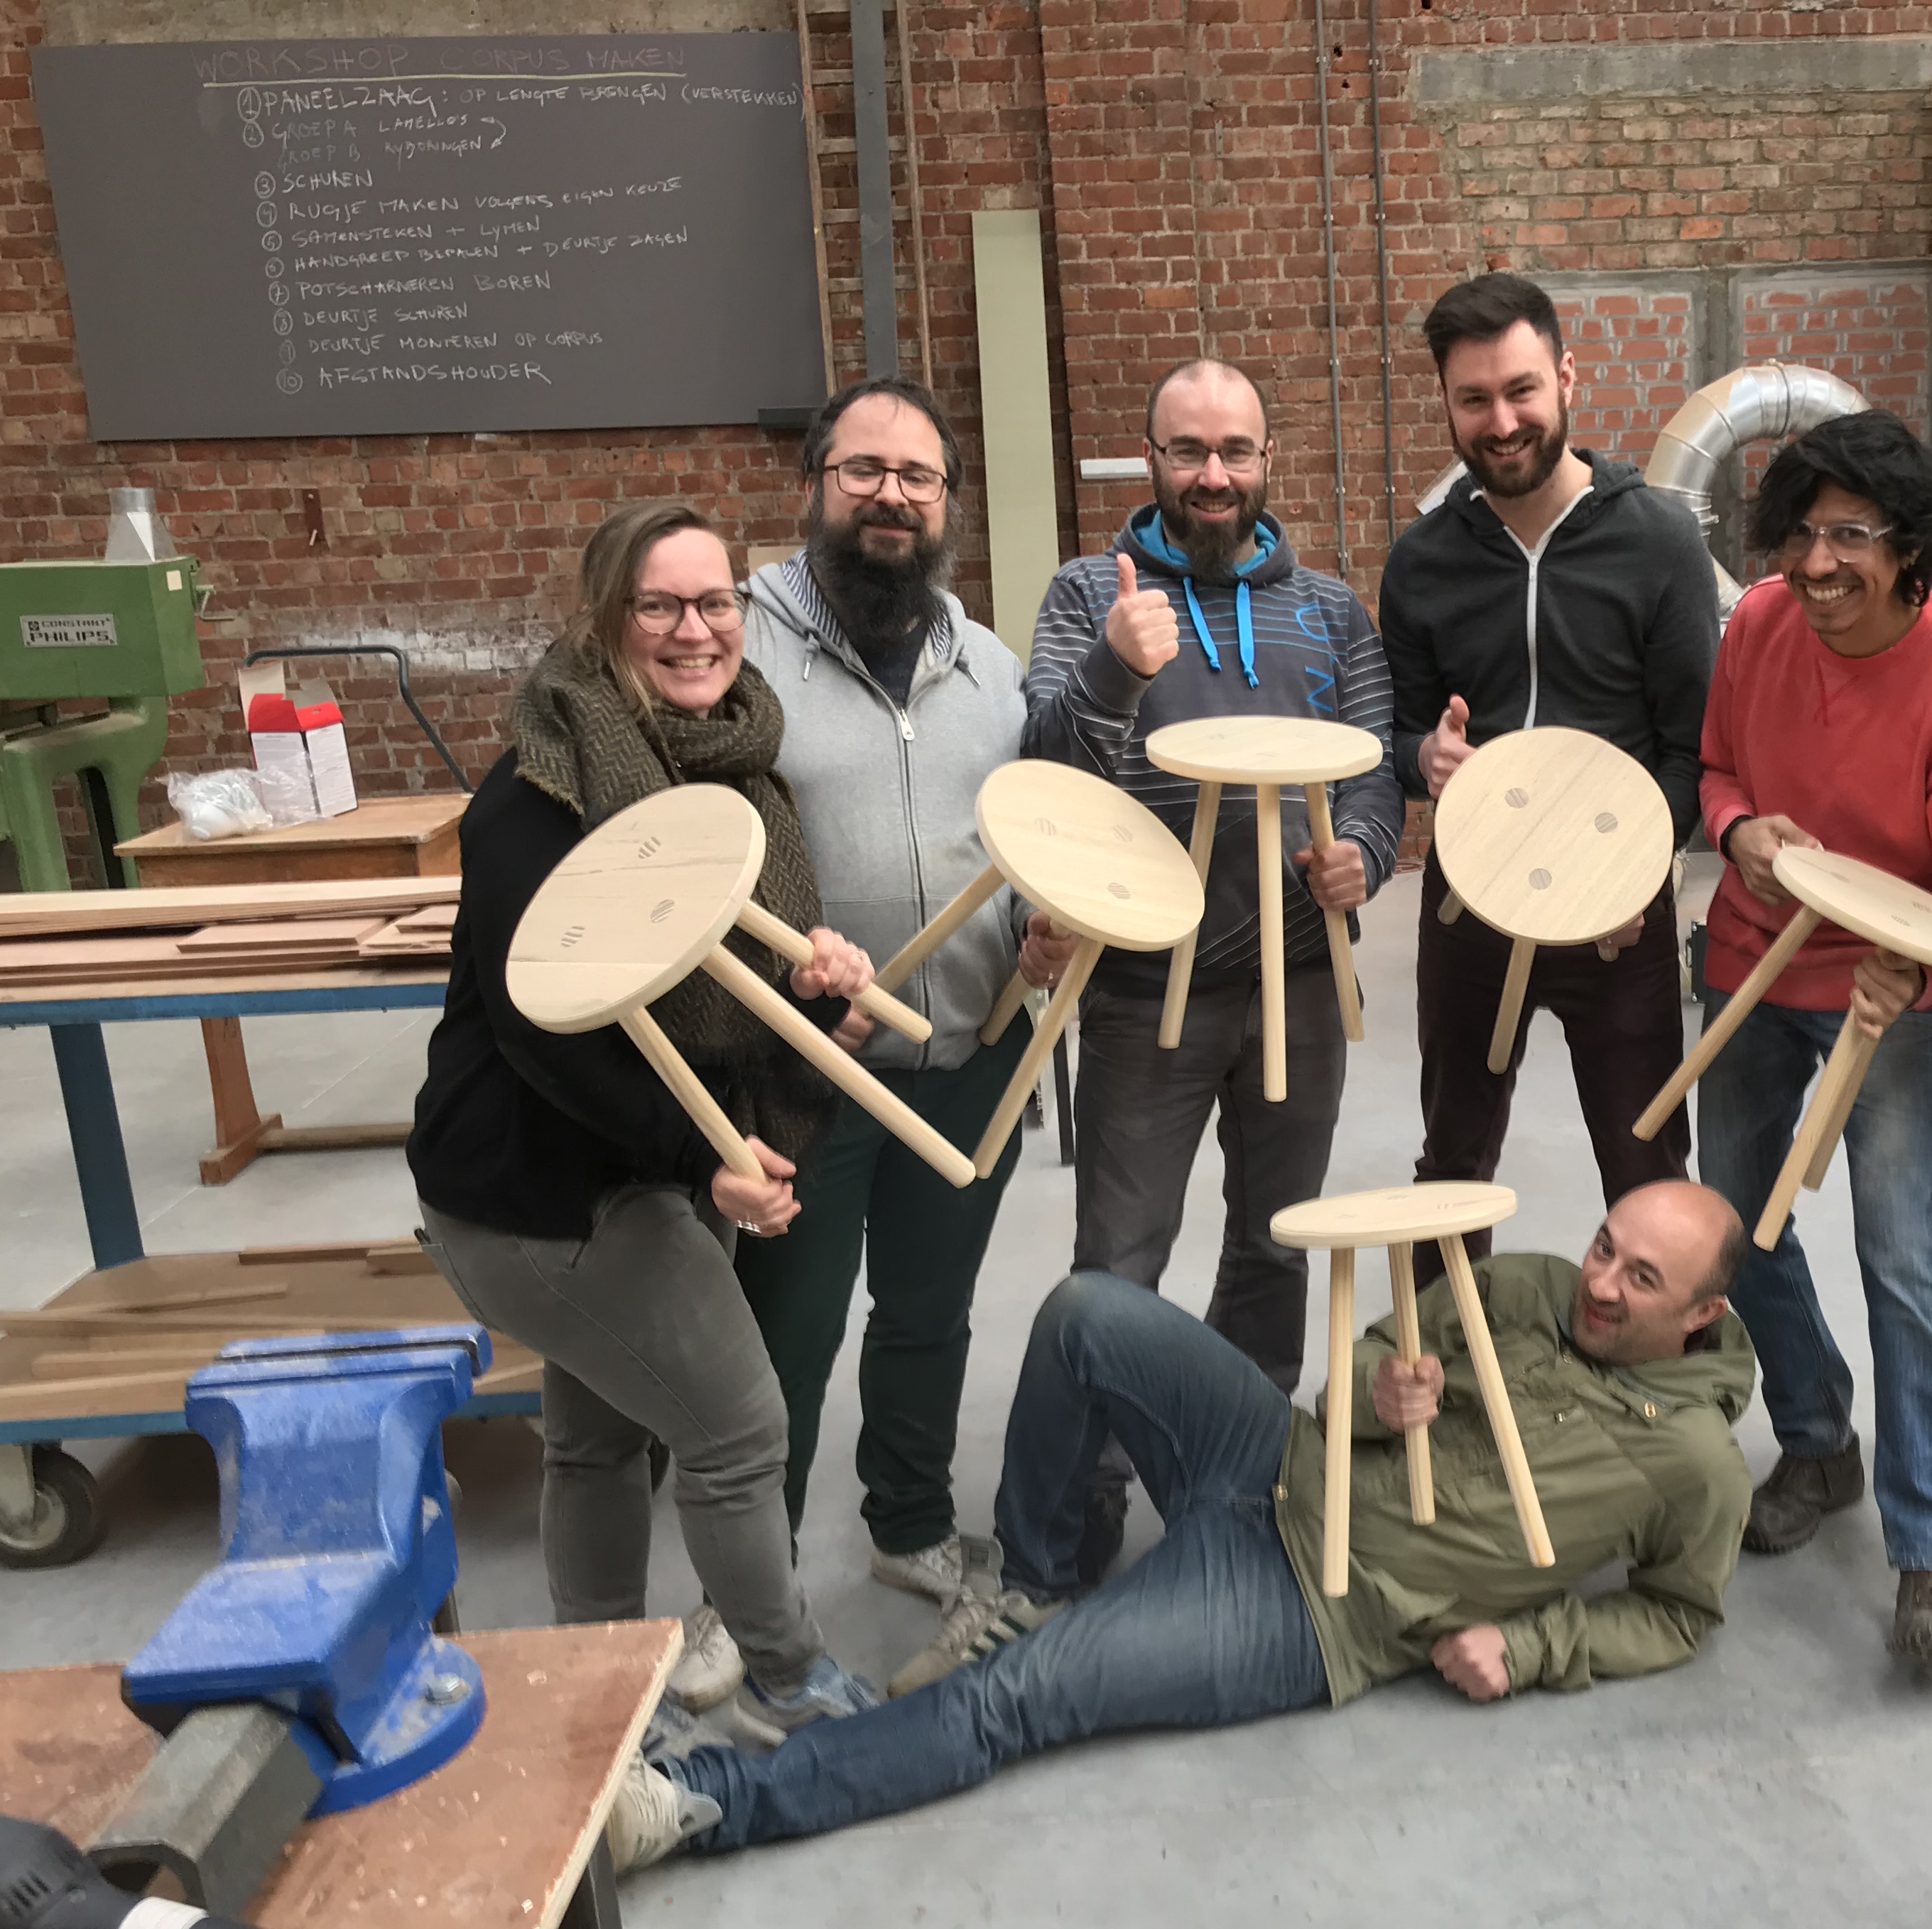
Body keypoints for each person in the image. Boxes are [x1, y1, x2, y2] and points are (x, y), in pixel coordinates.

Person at [600, 1183, 1758, 1869]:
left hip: (1313, 1604)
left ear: (1703, 1313)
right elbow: (1365, 1361)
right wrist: (1379, 1393)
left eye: (1642, 1280)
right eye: (1605, 1246)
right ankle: (1040, 1577)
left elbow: (1678, 1614)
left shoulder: (1694, 1463)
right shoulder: (1529, 1288)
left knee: (1011, 1702)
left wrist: (1534, 1646)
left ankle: (704, 1806)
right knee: (1086, 1313)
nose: (1600, 1283)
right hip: (1274, 1456)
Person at [408, 501, 880, 1749]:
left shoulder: (734, 767)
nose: (694, 629)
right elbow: (546, 1032)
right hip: (538, 1191)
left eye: (716, 601)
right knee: (738, 1430)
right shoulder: (540, 790)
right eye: (658, 605)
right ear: (606, 618)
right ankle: (787, 1679)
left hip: (634, 1169)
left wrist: (813, 1002)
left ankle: (597, 1689)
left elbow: (709, 997)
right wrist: (696, 1161)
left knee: (597, 1443)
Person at [701, 379, 1070, 1713]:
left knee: (928, 1311)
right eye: (863, 470)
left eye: (917, 476)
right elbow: (696, 848)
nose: (891, 497)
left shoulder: (990, 667)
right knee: (787, 1330)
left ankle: (908, 1522)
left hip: (969, 1047)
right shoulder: (743, 645)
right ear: (814, 483)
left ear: (948, 502)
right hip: (805, 1064)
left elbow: (1014, 832)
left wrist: (1034, 929)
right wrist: (778, 981)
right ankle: (747, 1591)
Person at [1024, 357, 1401, 1581]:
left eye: (1235, 449)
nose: (1213, 474)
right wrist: (1115, 666)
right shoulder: (1092, 592)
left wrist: (1364, 855)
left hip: (1304, 983)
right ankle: (1082, 1502)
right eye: (1187, 450)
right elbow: (1043, 770)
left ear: (1267, 459)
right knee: (1118, 1265)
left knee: (1275, 1244)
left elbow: (1376, 766)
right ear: (1152, 461)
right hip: (1146, 986)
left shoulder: (1331, 610)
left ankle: (1240, 1475)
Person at [1689, 411, 1932, 1670]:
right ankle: (1817, 1440)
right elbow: (1718, 770)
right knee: (1735, 1221)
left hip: (1888, 991)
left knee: (1901, 1254)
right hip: (1751, 958)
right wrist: (1740, 832)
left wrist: (1916, 969)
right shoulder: (1761, 624)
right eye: (1801, 535)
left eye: (1851, 538)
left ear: (1912, 546)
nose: (1817, 566)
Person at [1379, 274, 1722, 1276]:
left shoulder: (1657, 540)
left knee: (1647, 1163)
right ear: (1446, 403)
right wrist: (1424, 756)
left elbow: (1691, 749)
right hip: (1470, 908)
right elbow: (1397, 734)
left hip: (1618, 919)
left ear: (1567, 376)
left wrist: (1631, 873)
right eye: (1474, 399)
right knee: (1453, 1160)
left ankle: (1663, 1365)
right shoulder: (1422, 562)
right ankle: (1445, 1355)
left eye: (1521, 389)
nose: (1502, 421)